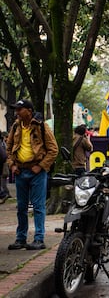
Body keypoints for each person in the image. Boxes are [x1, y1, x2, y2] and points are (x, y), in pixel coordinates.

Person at [6, 99, 58, 250]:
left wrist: (41, 166)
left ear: (28, 110)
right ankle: (20, 238)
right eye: (16, 110)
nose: (17, 113)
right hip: (20, 171)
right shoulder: (16, 126)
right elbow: (8, 149)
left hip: (37, 173)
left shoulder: (41, 126)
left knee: (38, 206)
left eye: (19, 109)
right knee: (21, 207)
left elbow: (53, 149)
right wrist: (12, 165)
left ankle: (39, 239)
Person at [0, 131, 11, 204]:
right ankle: (4, 194)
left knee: (3, 180)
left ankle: (4, 194)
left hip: (3, 166)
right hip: (3, 165)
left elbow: (4, 156)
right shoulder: (2, 144)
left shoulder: (3, 145)